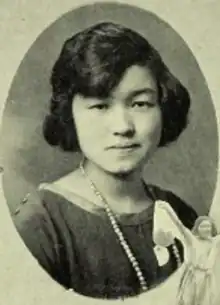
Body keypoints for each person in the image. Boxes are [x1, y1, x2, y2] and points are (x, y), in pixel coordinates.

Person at [12, 22, 198, 299]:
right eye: (100, 105)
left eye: (140, 104)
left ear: (164, 106)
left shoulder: (180, 214)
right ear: (69, 115)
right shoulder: (40, 225)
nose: (123, 126)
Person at [158, 201, 220, 305]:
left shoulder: (214, 242)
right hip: (193, 277)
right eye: (203, 226)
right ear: (197, 228)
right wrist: (168, 209)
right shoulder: (192, 240)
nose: (206, 229)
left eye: (208, 226)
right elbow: (179, 225)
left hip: (207, 279)